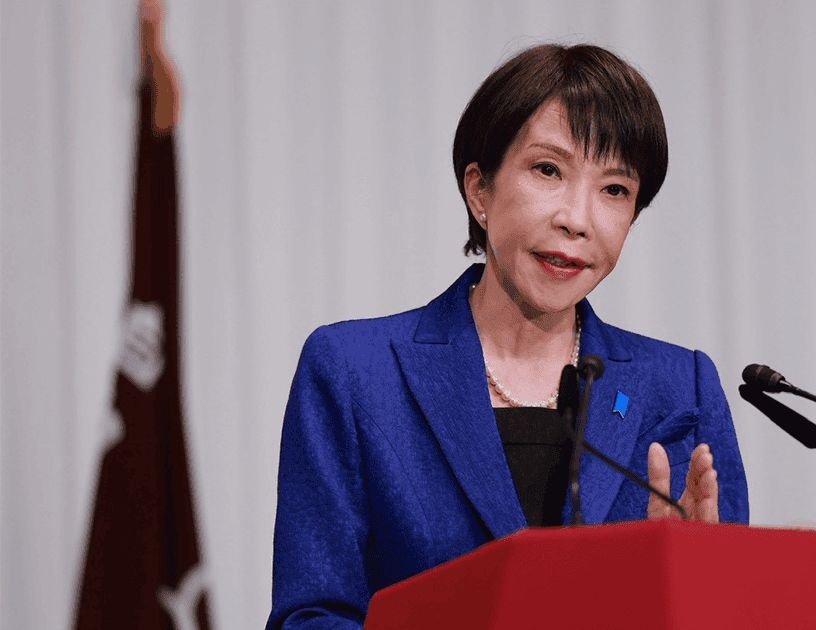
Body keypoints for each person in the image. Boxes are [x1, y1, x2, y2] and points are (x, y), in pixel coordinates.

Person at [268, 43, 749, 628]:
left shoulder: (680, 388)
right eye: (549, 170)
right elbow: (310, 616)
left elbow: (734, 613)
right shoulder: (354, 373)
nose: (577, 219)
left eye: (614, 190)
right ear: (480, 190)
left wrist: (695, 589)